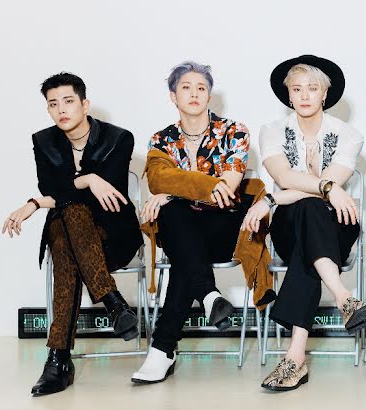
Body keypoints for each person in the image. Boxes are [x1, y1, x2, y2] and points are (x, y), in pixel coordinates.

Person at [2, 72, 142, 396]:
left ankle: (59, 361)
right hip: (69, 235)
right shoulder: (43, 141)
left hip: (113, 235)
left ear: (85, 104)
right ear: (48, 109)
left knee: (71, 215)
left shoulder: (119, 138)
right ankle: (113, 303)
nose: (61, 109)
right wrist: (86, 180)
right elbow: (51, 188)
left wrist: (39, 202)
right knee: (68, 225)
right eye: (53, 104)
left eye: (68, 101)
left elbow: (94, 195)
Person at [132, 61, 268, 384]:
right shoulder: (160, 140)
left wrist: (171, 191)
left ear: (209, 96)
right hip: (182, 231)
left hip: (224, 226)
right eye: (185, 87)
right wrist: (176, 191)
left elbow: (226, 190)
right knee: (177, 220)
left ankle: (163, 350)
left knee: (178, 227)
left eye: (201, 88)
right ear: (173, 96)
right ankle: (208, 296)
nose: (194, 93)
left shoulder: (234, 131)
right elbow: (157, 179)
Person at [247, 55, 366, 392]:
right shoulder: (272, 131)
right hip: (289, 226)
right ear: (288, 95)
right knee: (308, 212)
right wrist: (325, 187)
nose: (304, 95)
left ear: (325, 94)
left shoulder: (349, 135)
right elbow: (285, 176)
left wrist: (274, 198)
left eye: (312, 88)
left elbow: (307, 187)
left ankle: (294, 358)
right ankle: (344, 297)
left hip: (337, 223)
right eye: (297, 88)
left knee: (312, 213)